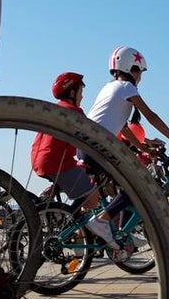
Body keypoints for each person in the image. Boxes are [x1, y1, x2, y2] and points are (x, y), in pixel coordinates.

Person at [84, 46, 169, 256]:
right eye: (140, 71)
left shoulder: (109, 88)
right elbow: (151, 115)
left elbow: (122, 126)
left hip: (89, 145)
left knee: (129, 186)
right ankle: (102, 220)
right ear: (131, 68)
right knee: (140, 186)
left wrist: (143, 148)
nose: (140, 77)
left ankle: (118, 239)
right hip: (98, 147)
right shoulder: (126, 88)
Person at [30, 72, 119, 253]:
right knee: (92, 198)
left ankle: (76, 233)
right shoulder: (73, 112)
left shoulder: (57, 108)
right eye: (80, 90)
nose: (82, 95)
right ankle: (75, 233)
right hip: (57, 162)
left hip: (41, 160)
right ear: (72, 92)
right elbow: (92, 137)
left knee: (81, 194)